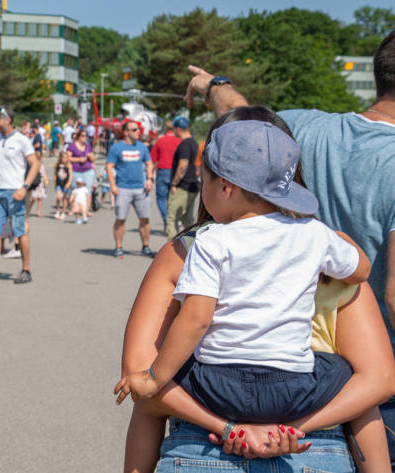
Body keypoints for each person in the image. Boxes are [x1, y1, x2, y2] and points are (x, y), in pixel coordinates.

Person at [119, 107, 395, 473]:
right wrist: (291, 428)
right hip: (310, 438)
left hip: (204, 435)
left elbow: (147, 368)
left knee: (155, 380)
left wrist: (223, 423)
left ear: (222, 184)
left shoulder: (198, 245)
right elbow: (379, 378)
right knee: (349, 378)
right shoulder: (319, 240)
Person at [184, 31, 395, 465]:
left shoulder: (303, 127)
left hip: (252, 366)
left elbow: (241, 120)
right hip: (355, 382)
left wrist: (212, 85)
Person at [0, 105, 40, 286]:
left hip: (15, 192)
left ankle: (26, 269)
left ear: (8, 120)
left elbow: (35, 164)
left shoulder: (21, 140)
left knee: (20, 232)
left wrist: (25, 187)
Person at [106, 120, 154, 258]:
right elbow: (109, 166)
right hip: (123, 189)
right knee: (120, 219)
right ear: (126, 132)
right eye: (134, 130)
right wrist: (113, 185)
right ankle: (118, 247)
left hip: (141, 189)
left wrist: (149, 179)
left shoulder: (142, 147)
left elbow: (149, 163)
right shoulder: (116, 148)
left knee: (145, 219)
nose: (138, 132)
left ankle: (145, 246)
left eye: (138, 129)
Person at [165, 116, 199, 239]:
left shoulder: (184, 144)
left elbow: (183, 166)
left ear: (178, 129)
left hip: (183, 186)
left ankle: (172, 252)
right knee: (188, 220)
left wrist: (174, 183)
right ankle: (191, 247)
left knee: (172, 219)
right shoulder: (194, 143)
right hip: (193, 186)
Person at [150, 120, 181, 231]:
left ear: (165, 128)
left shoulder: (160, 140)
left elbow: (153, 158)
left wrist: (149, 175)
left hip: (162, 170)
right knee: (171, 199)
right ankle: (171, 221)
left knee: (160, 198)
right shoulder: (179, 141)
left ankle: (165, 218)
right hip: (175, 171)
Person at [54, 150, 72, 219]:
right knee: (58, 197)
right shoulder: (58, 165)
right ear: (60, 158)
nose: (65, 159)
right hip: (59, 183)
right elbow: (55, 175)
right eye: (63, 158)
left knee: (64, 198)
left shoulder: (68, 166)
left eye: (66, 158)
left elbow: (70, 176)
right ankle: (58, 211)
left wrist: (68, 183)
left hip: (65, 184)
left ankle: (63, 212)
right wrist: (55, 183)